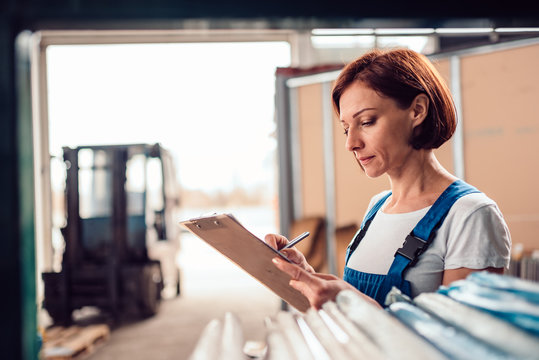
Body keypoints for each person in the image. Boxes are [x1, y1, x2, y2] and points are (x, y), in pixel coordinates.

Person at [266, 48, 511, 309]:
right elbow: (359, 302)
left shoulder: (470, 215)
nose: (351, 143)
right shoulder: (377, 206)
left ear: (417, 110)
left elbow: (461, 338)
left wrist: (351, 302)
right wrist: (306, 276)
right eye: (346, 128)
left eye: (367, 121)